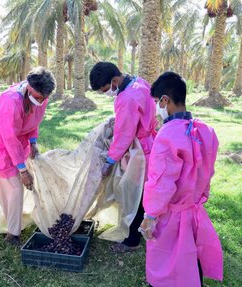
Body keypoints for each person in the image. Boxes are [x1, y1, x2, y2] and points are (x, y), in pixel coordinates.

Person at [139, 72, 223, 287]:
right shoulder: (206, 131)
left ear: (165, 100)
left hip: (172, 213)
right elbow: (207, 172)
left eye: (157, 102)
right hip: (194, 209)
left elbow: (161, 182)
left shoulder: (167, 134)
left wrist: (151, 214)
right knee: (191, 255)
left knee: (166, 262)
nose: (157, 108)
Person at [89, 62, 157, 253]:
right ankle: (144, 230)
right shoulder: (139, 82)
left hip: (140, 152)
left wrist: (110, 161)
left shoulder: (126, 98)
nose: (106, 93)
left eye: (105, 90)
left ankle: (132, 240)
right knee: (145, 192)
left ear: (114, 80)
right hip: (150, 144)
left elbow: (124, 134)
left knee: (134, 193)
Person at [0, 66, 56, 246]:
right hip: (2, 147)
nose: (42, 101)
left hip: (21, 144)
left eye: (45, 98)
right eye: (39, 97)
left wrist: (33, 142)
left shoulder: (42, 98)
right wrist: (23, 170)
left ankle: (14, 221)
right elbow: (9, 138)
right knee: (13, 188)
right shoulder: (11, 101)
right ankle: (12, 234)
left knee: (18, 189)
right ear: (30, 89)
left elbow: (35, 122)